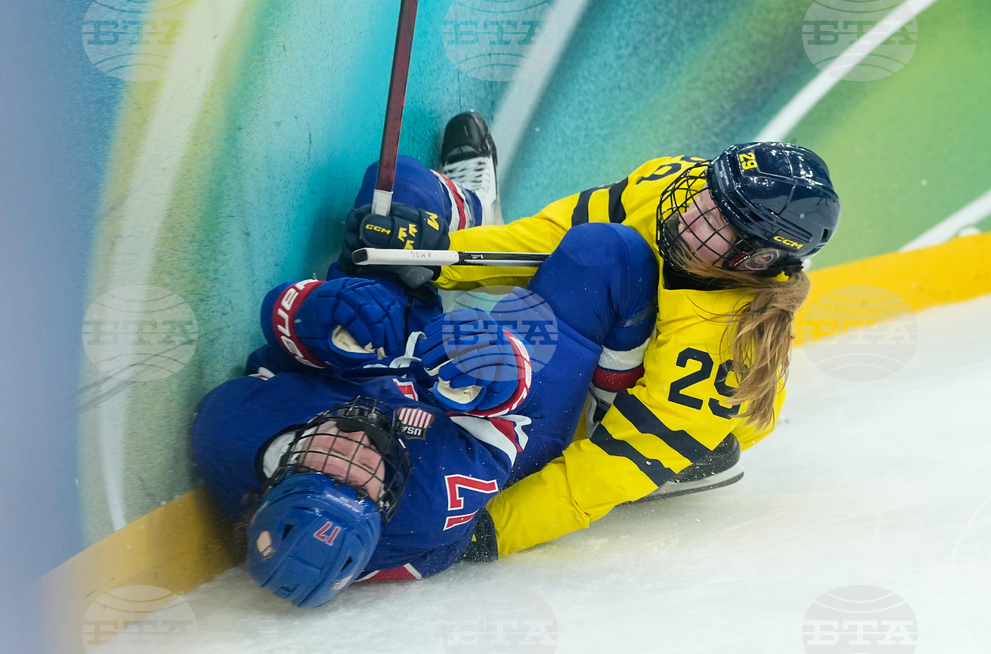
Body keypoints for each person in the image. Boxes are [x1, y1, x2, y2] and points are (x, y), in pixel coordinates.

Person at [339, 112, 841, 561]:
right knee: (397, 190)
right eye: (707, 192)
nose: (692, 210)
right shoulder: (675, 187)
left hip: (635, 425)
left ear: (753, 259)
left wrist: (488, 530)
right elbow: (547, 236)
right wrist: (436, 258)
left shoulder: (724, 349)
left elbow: (614, 464)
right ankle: (380, 325)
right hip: (590, 329)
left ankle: (670, 454)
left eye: (715, 221)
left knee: (608, 251)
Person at [191, 192, 661, 606]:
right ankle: (611, 409)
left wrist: (318, 314)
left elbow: (280, 339)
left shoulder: (229, 431)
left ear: (276, 478)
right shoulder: (430, 505)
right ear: (387, 505)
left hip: (378, 367)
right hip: (486, 423)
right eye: (358, 482)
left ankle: (475, 201)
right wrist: (497, 366)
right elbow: (510, 424)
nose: (351, 444)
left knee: (394, 201)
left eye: (321, 465)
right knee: (607, 253)